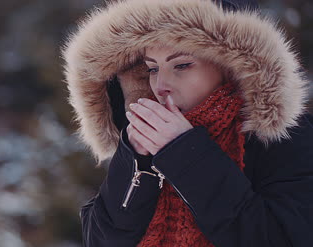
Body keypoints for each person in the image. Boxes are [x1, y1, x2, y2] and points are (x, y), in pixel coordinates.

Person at [62, 0, 313, 246]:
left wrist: (186, 154)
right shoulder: (144, 139)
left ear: (232, 65)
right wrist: (136, 161)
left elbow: (280, 236)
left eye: (182, 65)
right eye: (152, 69)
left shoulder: (288, 138)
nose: (160, 86)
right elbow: (99, 240)